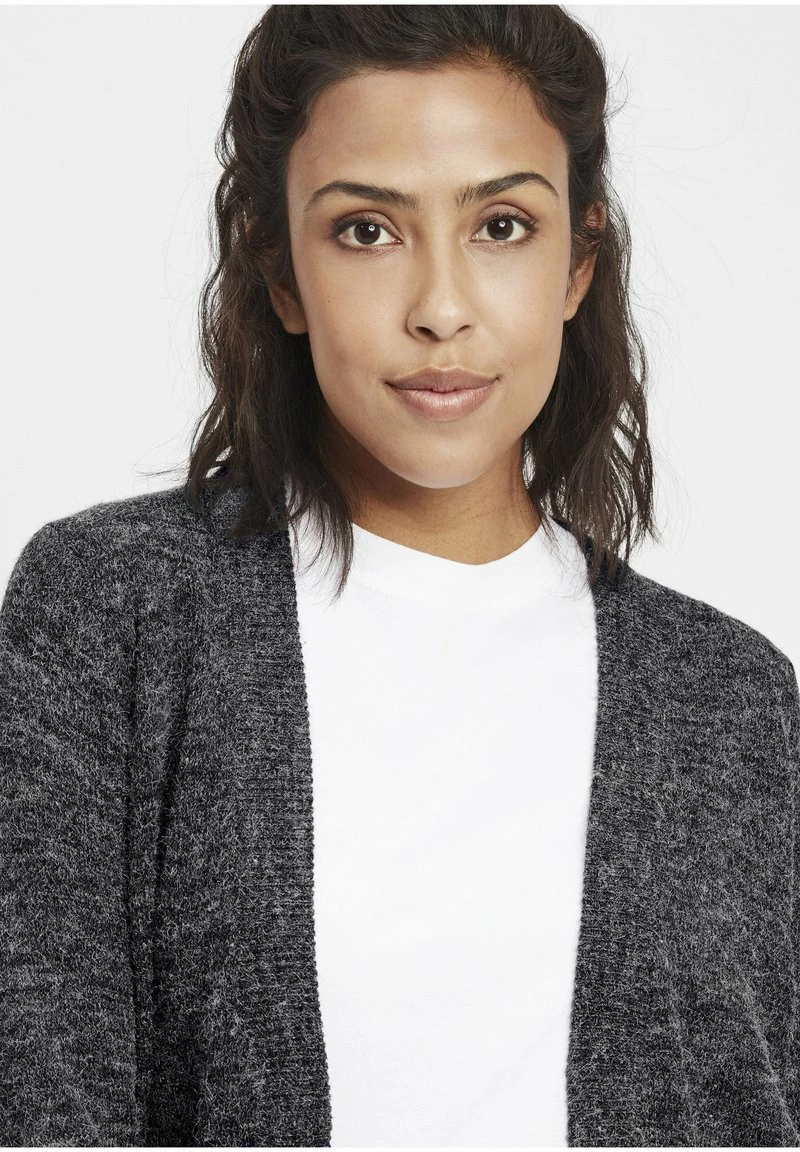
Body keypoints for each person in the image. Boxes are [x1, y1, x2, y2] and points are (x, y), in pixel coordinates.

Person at [1, 4, 798, 1147]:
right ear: (279, 270)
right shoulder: (111, 612)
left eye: (501, 226)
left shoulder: (730, 696)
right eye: (366, 230)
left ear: (577, 262)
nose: (440, 310)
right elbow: (40, 1095)